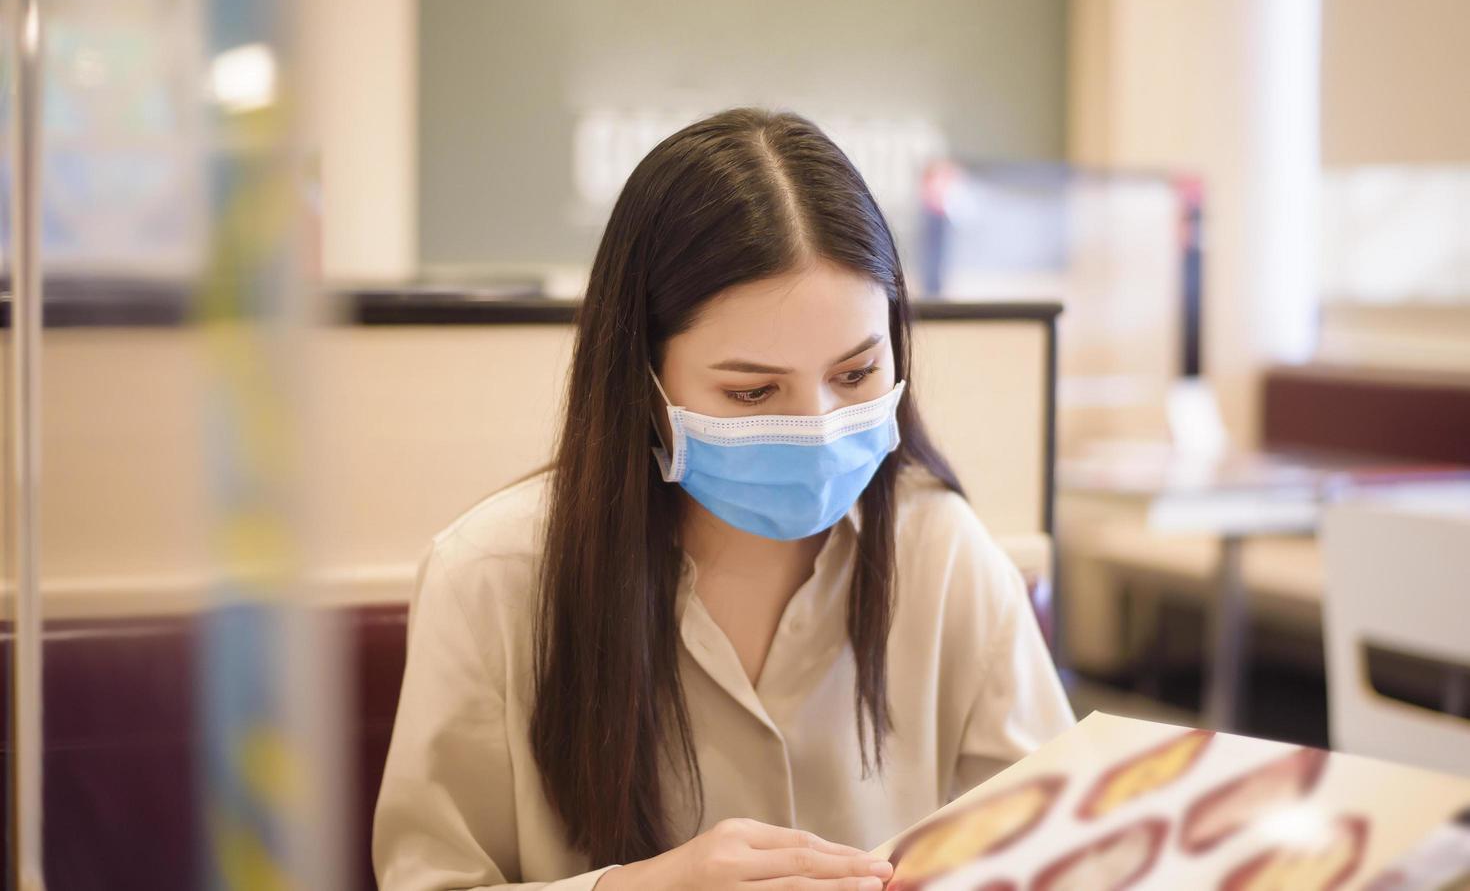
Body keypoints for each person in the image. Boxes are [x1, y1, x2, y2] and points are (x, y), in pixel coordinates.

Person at [373, 108, 1075, 890]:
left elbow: (1062, 850)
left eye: (855, 375)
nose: (818, 428)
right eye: (752, 391)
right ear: (642, 382)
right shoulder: (492, 579)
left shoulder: (942, 552)